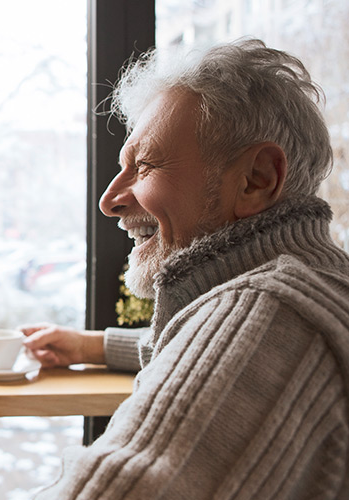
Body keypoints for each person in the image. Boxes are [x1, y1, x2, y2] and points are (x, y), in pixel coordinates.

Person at [22, 38, 349, 498]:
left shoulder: (266, 313)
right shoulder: (312, 283)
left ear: (256, 180)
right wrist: (94, 345)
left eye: (146, 165)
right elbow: (203, 339)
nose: (109, 200)